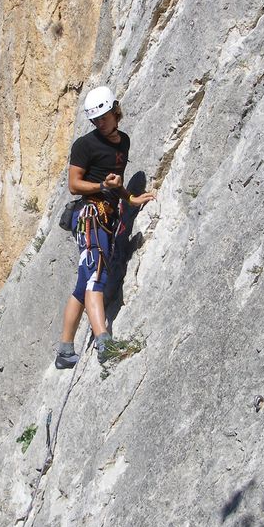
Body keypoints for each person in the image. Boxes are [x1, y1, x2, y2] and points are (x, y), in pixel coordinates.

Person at [55, 86, 155, 368]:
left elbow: (117, 181)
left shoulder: (124, 142)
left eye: (104, 117)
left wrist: (130, 198)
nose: (100, 123)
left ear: (115, 110)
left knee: (82, 284)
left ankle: (64, 351)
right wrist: (101, 186)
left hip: (108, 217)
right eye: (95, 120)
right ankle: (104, 343)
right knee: (94, 276)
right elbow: (74, 185)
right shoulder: (84, 145)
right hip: (89, 214)